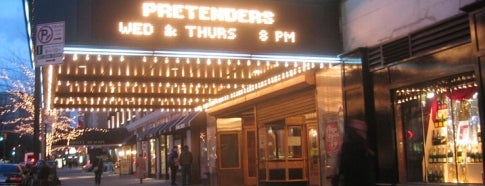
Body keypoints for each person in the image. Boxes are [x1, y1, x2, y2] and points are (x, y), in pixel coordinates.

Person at [338, 119, 375, 186]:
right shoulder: (360, 146)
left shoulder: (347, 145)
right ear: (357, 131)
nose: (365, 133)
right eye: (363, 131)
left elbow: (343, 164)